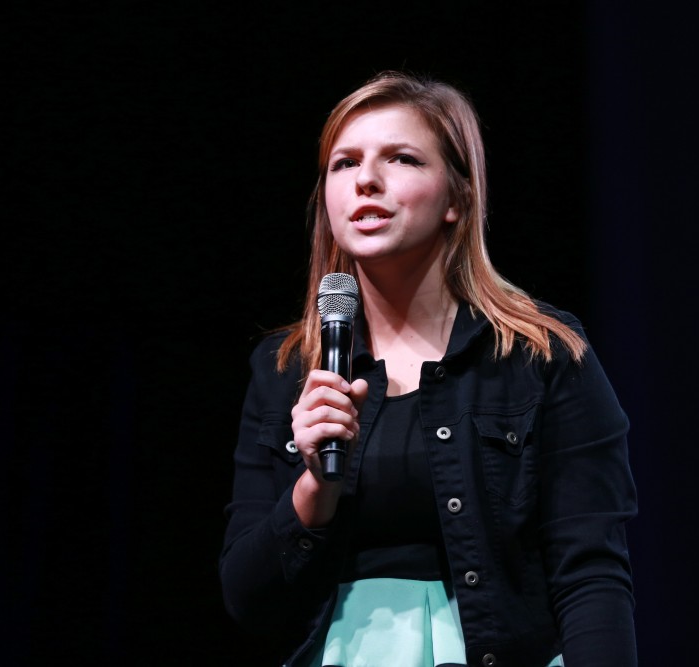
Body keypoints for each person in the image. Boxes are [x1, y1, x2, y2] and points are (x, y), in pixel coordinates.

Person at [219, 70, 637, 667]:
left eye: (402, 159)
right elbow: (247, 600)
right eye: (344, 163)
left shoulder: (540, 355)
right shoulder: (286, 368)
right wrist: (314, 486)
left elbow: (590, 572)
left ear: (457, 198)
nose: (366, 180)